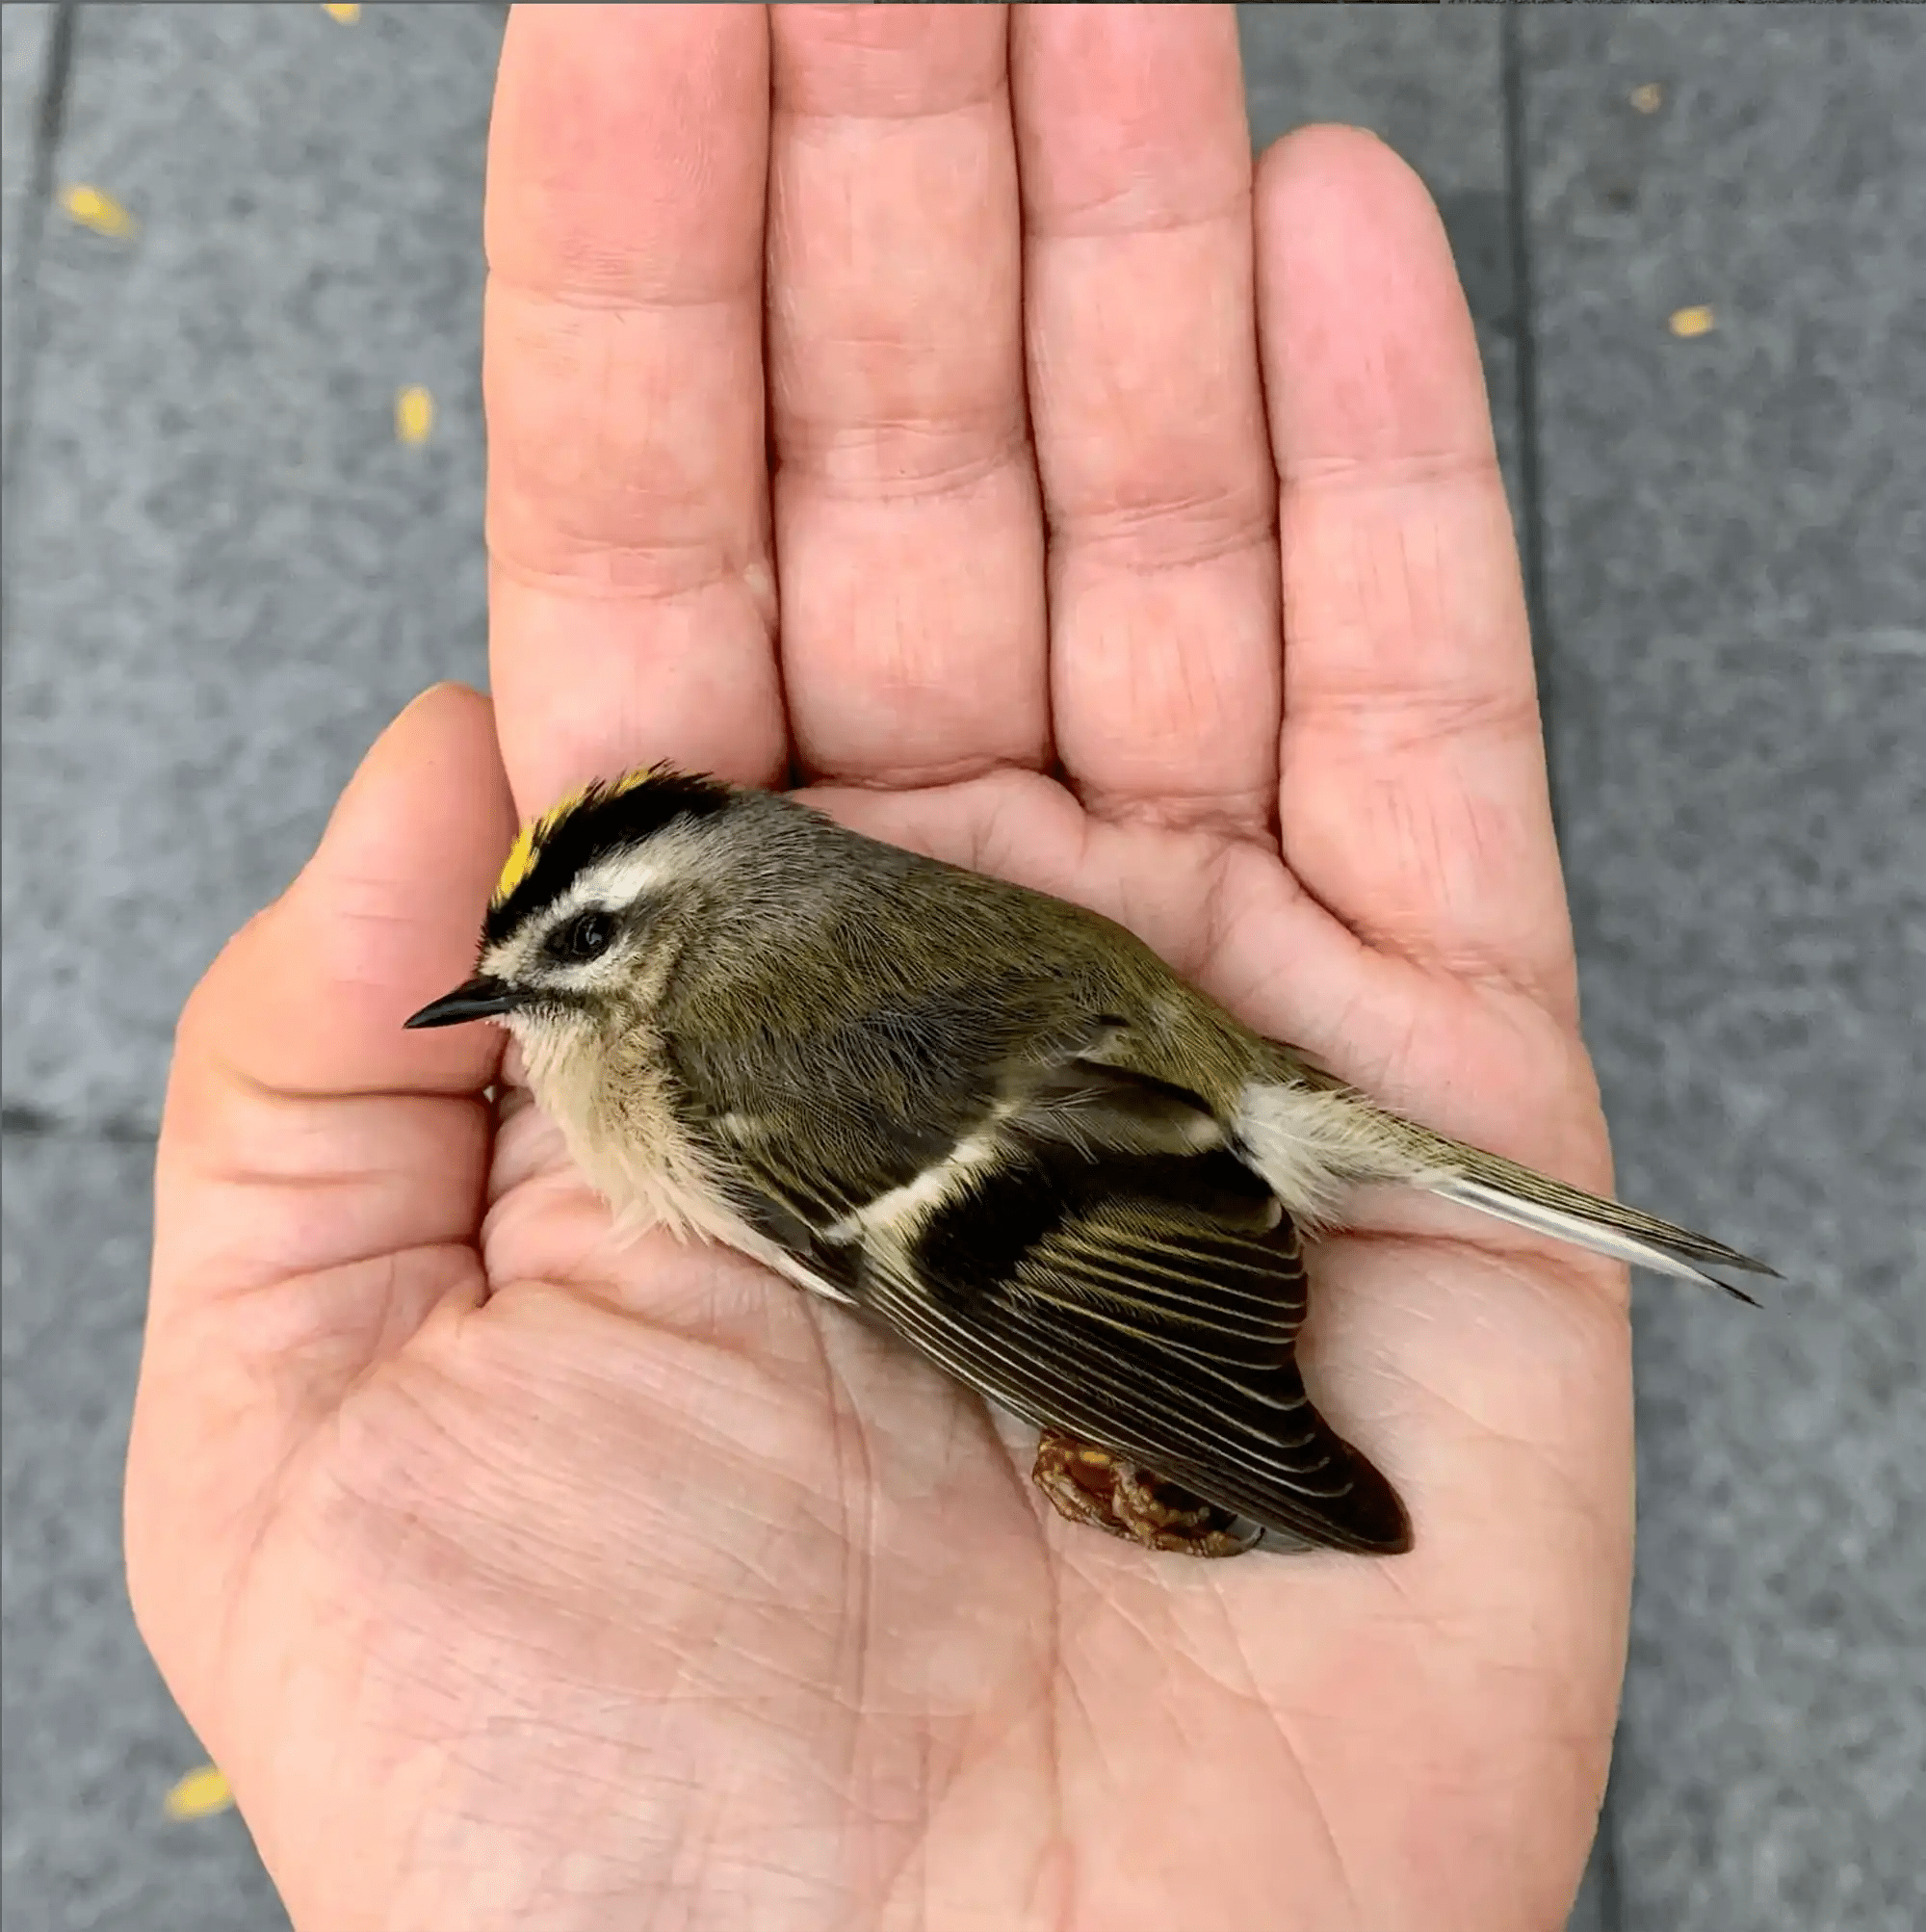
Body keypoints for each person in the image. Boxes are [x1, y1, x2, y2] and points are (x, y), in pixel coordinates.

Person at [126, 9, 1626, 1928]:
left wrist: (1222, 1425)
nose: (527, 1005)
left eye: (572, 954)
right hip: (1149, 1069)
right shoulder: (761, 973)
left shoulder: (707, 1070)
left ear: (670, 938)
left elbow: (979, 1263)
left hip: (1140, 1135)